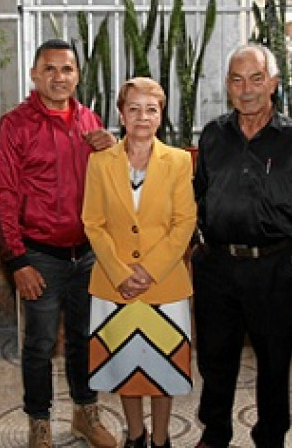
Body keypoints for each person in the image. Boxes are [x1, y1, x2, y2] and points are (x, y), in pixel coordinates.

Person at [0, 39, 118, 448]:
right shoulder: (15, 125)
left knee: (84, 338)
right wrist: (17, 261)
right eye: (49, 68)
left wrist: (113, 151)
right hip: (40, 256)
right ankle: (39, 421)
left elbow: (110, 186)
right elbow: (5, 194)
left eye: (66, 69)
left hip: (86, 254)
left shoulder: (89, 121)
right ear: (34, 74)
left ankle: (86, 413)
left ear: (77, 75)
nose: (58, 77)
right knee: (40, 344)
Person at [192, 43, 292, 448]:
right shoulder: (212, 136)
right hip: (218, 266)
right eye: (237, 79)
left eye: (256, 79)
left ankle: (271, 436)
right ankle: (215, 431)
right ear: (227, 85)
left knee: (275, 361)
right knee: (214, 358)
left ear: (274, 84)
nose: (247, 89)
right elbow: (197, 194)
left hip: (276, 269)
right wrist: (196, 246)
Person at [82, 78, 197, 448]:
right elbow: (92, 223)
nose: (142, 117)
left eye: (151, 109)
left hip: (164, 285)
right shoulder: (100, 163)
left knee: (164, 369)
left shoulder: (179, 161)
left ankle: (161, 439)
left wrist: (148, 271)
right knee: (125, 366)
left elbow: (185, 222)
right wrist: (120, 272)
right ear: (121, 114)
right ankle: (135, 435)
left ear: (160, 115)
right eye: (133, 108)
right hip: (112, 285)